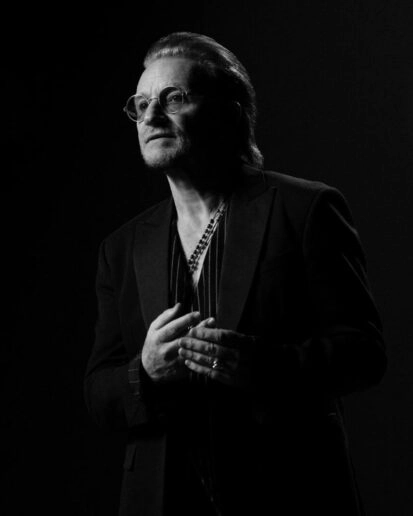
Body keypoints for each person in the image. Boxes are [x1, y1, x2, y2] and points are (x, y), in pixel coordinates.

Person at [84, 32, 387, 516]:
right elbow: (98, 393)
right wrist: (145, 371)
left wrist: (265, 366)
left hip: (290, 493)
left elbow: (365, 353)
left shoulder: (306, 209)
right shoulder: (120, 248)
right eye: (140, 104)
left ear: (230, 111)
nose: (151, 116)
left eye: (173, 98)